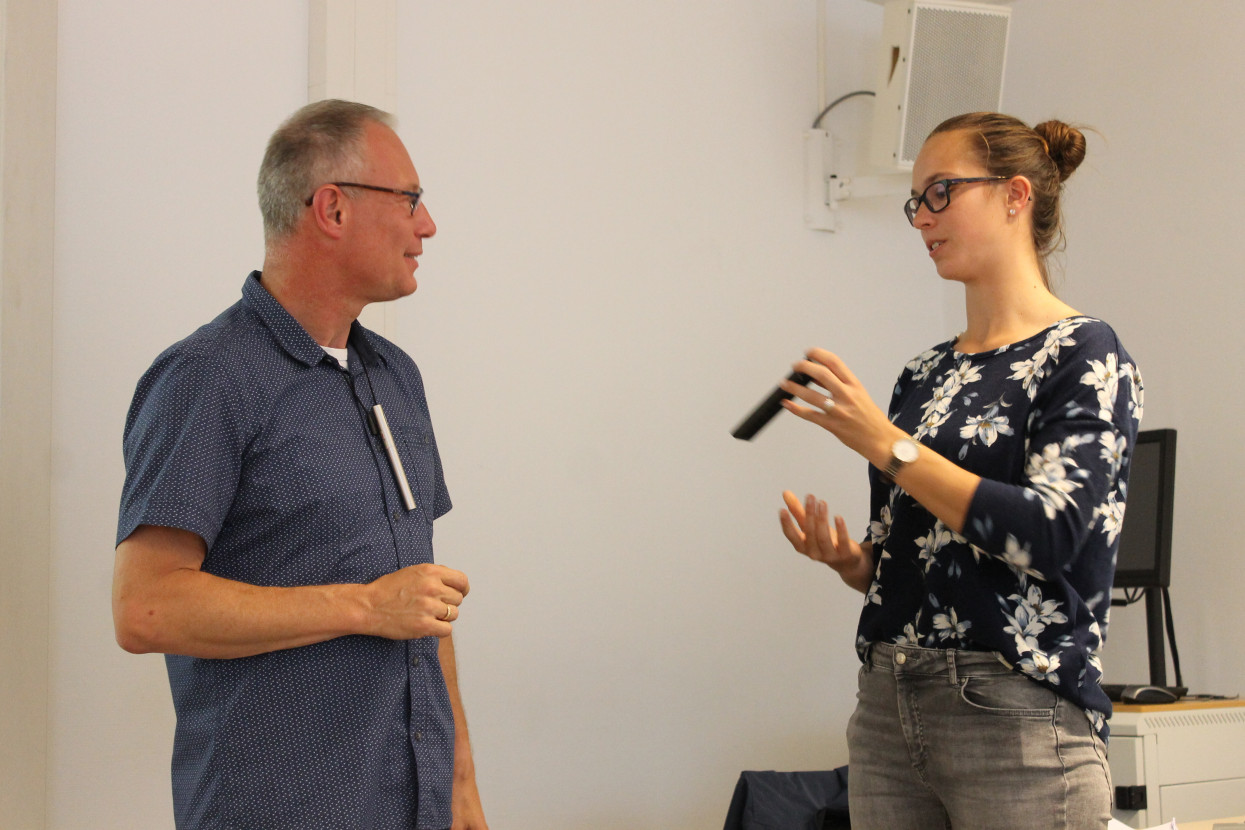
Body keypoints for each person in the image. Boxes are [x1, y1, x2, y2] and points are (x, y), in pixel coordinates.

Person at [112, 99, 487, 830]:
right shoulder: (208, 378)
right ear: (332, 209)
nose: (427, 225)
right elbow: (145, 607)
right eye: (410, 199)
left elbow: (425, 607)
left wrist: (460, 787)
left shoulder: (396, 377)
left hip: (409, 806)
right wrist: (366, 606)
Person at [776, 112, 1142, 829]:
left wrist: (889, 446)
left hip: (1014, 716)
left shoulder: (1082, 353)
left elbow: (1051, 534)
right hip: (888, 703)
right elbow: (909, 555)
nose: (921, 219)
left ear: (1014, 196)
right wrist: (851, 560)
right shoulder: (924, 373)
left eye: (941, 192)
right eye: (916, 201)